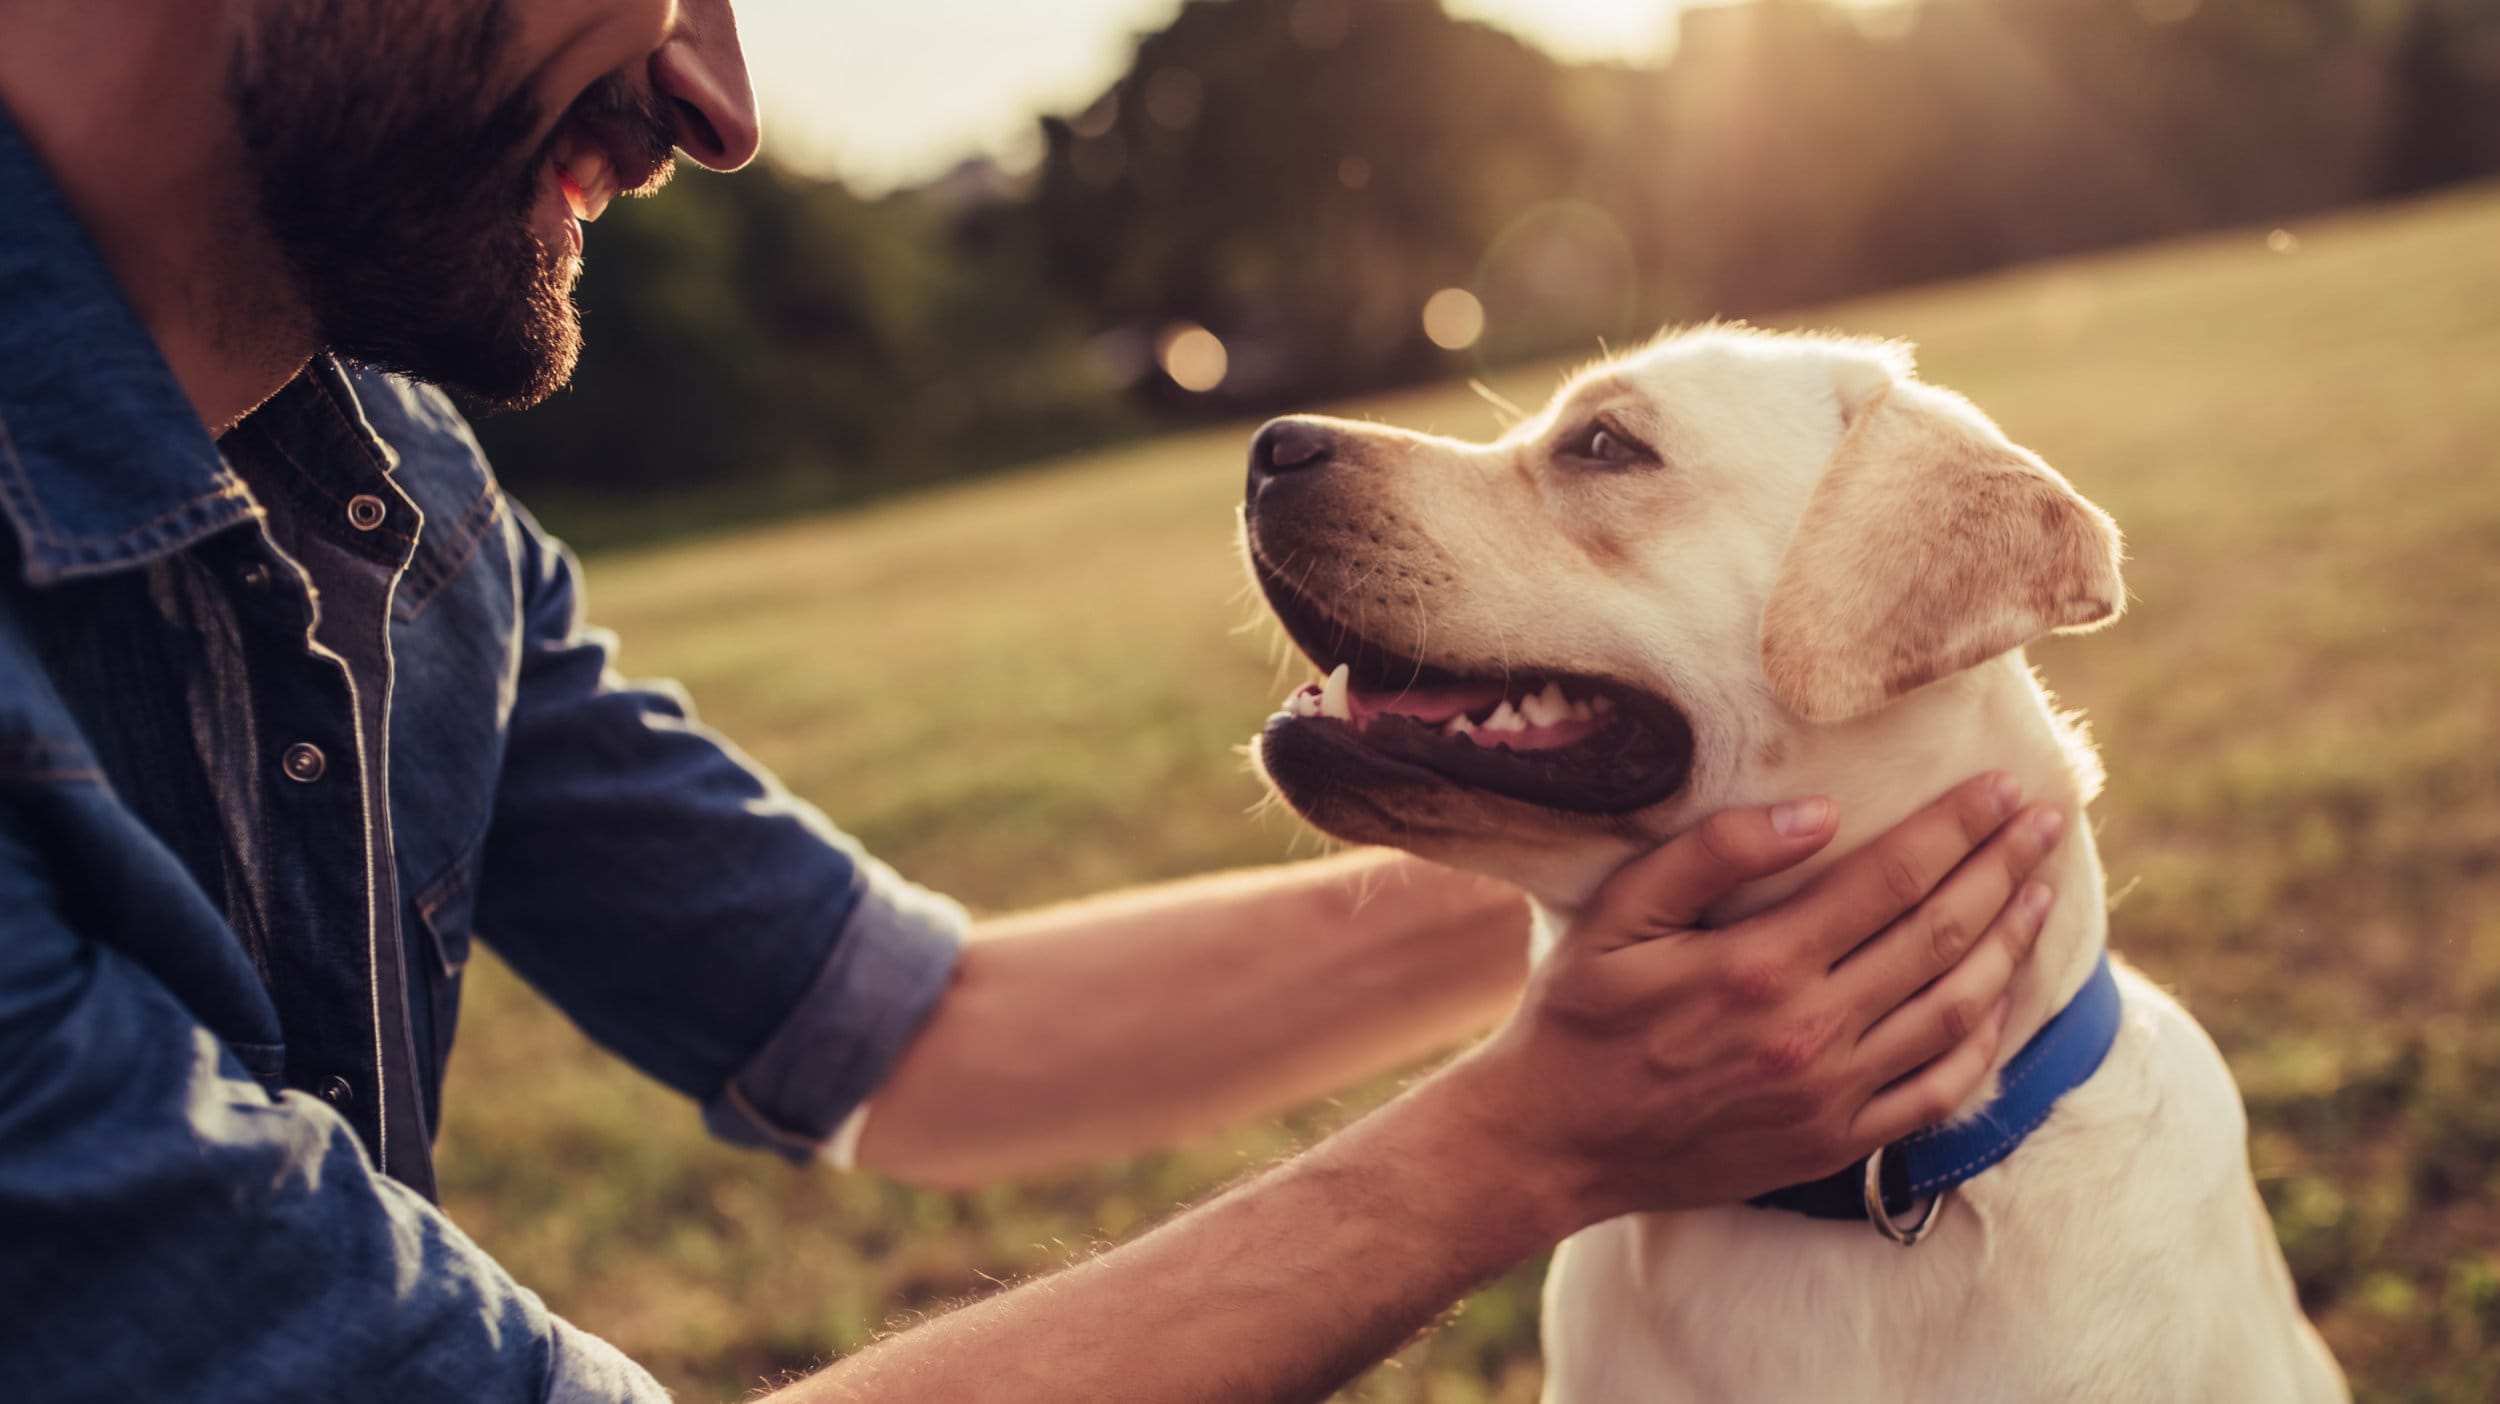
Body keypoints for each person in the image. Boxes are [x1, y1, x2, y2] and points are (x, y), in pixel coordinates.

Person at [0, 3, 2065, 1400]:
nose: (715, 102)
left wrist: (1734, 856)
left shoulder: (393, 503)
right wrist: (1513, 1153)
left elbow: (919, 1034)